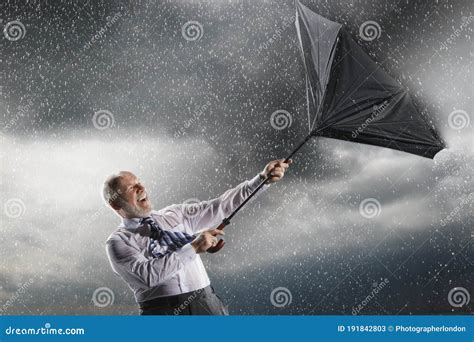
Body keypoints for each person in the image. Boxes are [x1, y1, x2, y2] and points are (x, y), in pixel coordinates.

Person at [103, 159, 292, 315]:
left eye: (139, 182)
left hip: (206, 303)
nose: (141, 187)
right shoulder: (117, 242)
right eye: (131, 188)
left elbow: (222, 206)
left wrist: (262, 179)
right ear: (115, 204)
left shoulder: (175, 214)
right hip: (162, 312)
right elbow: (148, 276)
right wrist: (193, 247)